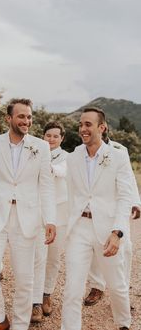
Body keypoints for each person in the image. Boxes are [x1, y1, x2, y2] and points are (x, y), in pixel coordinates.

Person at [0, 98, 57, 330]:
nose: (27, 121)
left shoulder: (40, 146)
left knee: (25, 278)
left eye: (29, 117)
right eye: (21, 116)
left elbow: (46, 185)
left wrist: (50, 219)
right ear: (9, 118)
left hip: (28, 218)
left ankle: (21, 325)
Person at [61, 107, 133, 330]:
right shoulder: (73, 158)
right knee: (72, 289)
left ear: (102, 127)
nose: (82, 129)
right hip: (79, 228)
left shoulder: (119, 157)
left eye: (88, 124)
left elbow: (125, 196)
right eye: (81, 124)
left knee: (117, 285)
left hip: (108, 229)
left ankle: (123, 324)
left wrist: (117, 231)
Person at [84, 124, 141, 307]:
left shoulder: (119, 149)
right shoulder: (83, 151)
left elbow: (129, 177)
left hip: (118, 208)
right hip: (96, 209)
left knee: (125, 248)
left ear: (103, 128)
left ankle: (121, 295)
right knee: (96, 248)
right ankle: (96, 287)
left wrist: (135, 201)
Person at [31, 121, 68, 323]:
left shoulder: (67, 158)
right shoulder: (34, 152)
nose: (51, 139)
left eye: (55, 136)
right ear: (43, 136)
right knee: (38, 257)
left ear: (62, 138)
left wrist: (46, 167)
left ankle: (47, 293)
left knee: (53, 258)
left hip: (59, 214)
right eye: (48, 135)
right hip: (38, 212)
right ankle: (35, 302)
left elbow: (61, 171)